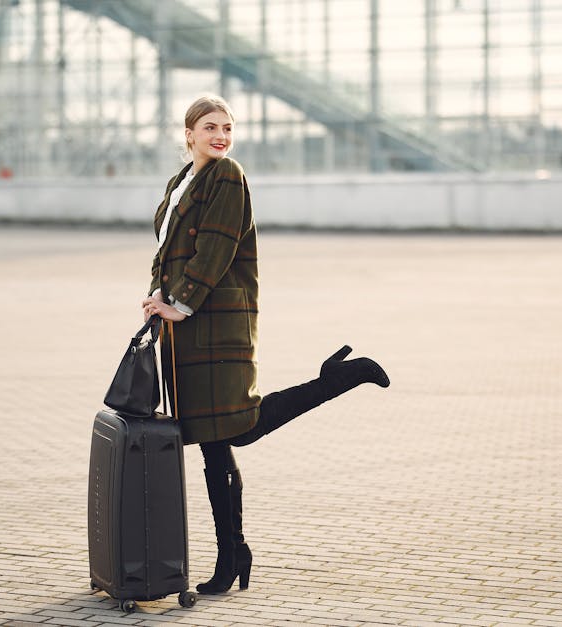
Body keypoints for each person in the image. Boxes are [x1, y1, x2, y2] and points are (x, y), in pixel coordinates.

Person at [141, 95, 390, 595]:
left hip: (216, 321)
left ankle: (340, 378)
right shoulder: (179, 183)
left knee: (239, 427)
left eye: (227, 128)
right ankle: (232, 556)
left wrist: (181, 300)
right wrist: (156, 294)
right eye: (210, 127)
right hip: (187, 325)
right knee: (213, 439)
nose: (221, 136)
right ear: (187, 133)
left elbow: (216, 244)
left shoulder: (227, 175)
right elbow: (167, 251)